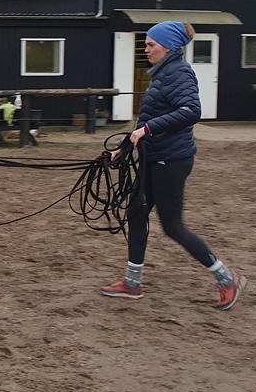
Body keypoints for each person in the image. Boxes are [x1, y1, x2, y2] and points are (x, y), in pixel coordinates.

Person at [100, 21, 246, 310]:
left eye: (150, 44)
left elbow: (191, 111)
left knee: (173, 226)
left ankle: (227, 278)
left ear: (168, 47)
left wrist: (148, 130)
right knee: (136, 212)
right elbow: (148, 117)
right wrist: (125, 147)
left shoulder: (179, 73)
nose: (146, 49)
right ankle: (132, 282)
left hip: (172, 160)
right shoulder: (163, 74)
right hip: (154, 157)